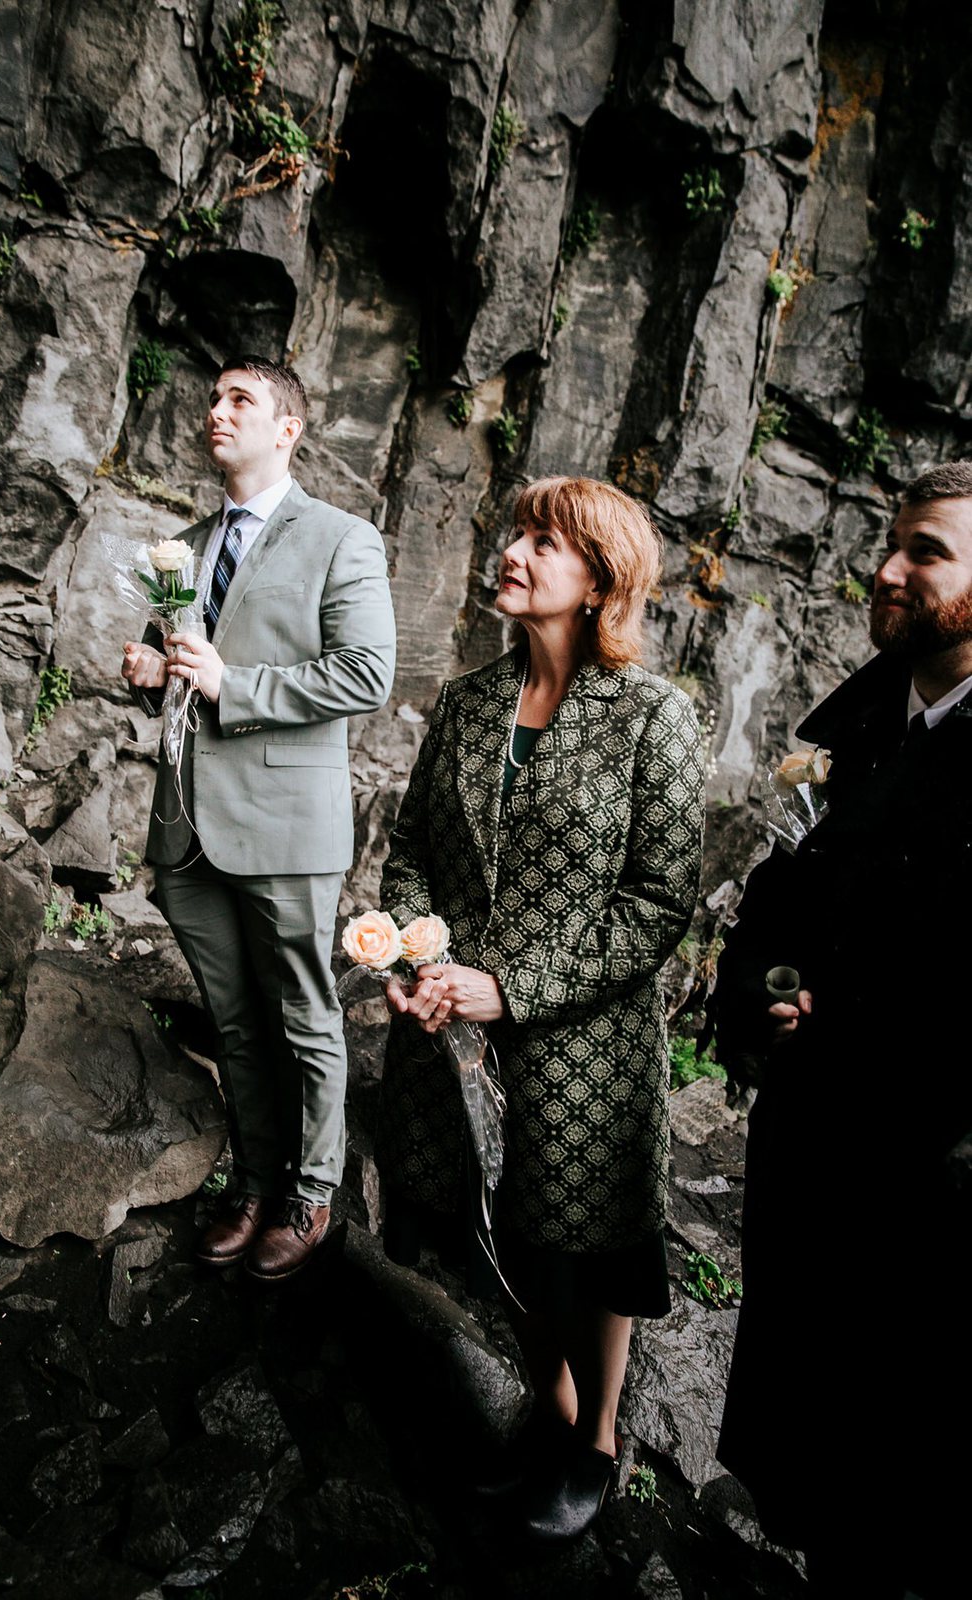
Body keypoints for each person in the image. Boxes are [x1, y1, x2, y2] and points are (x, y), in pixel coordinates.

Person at [374, 476, 704, 1541]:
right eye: (516, 532)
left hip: (586, 1051)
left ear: (600, 578)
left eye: (543, 541)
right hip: (452, 1038)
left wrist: (513, 988)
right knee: (484, 1231)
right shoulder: (469, 701)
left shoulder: (653, 714)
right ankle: (552, 1407)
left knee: (584, 1249)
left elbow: (659, 901)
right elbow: (413, 849)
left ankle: (595, 1439)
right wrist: (417, 952)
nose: (512, 551)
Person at [713, 462, 972, 1596]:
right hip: (817, 1151)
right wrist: (757, 997)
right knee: (818, 1460)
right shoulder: (861, 724)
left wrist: (860, 1022)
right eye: (891, 542)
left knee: (910, 1485)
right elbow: (782, 902)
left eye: (927, 550)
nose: (888, 567)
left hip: (934, 1187)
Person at [121, 355, 396, 1280]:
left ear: (288, 428)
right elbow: (188, 679)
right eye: (210, 398)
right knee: (235, 1021)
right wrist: (154, 677)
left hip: (285, 821)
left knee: (307, 1018)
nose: (216, 412)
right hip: (187, 825)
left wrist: (233, 683)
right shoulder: (187, 544)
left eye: (240, 399)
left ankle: (313, 1196)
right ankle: (254, 1181)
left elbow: (365, 675)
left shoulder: (341, 537)